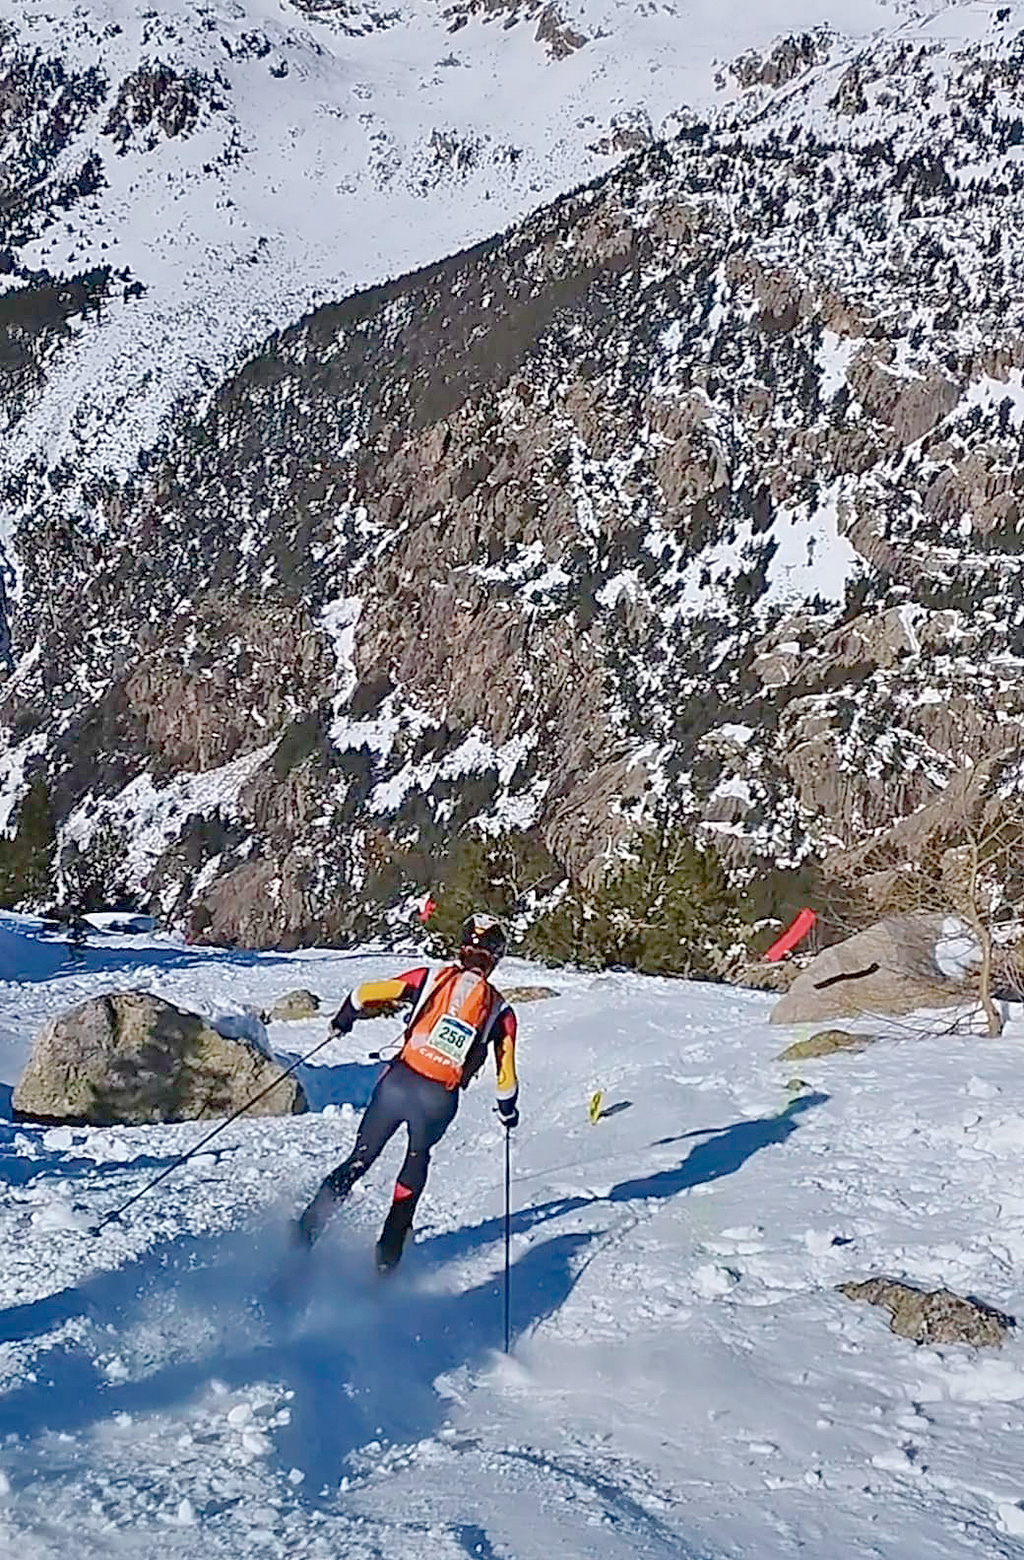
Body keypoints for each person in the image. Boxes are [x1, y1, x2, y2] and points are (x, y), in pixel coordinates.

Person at [293, 912, 519, 1272]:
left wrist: (342, 1021)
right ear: (497, 957)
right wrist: (508, 1112)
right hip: (438, 1100)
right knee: (417, 1159)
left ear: (462, 948)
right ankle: (387, 1258)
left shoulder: (430, 978)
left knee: (359, 1159)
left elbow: (363, 994)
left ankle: (305, 1233)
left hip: (398, 1083)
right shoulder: (501, 1011)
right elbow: (506, 1078)